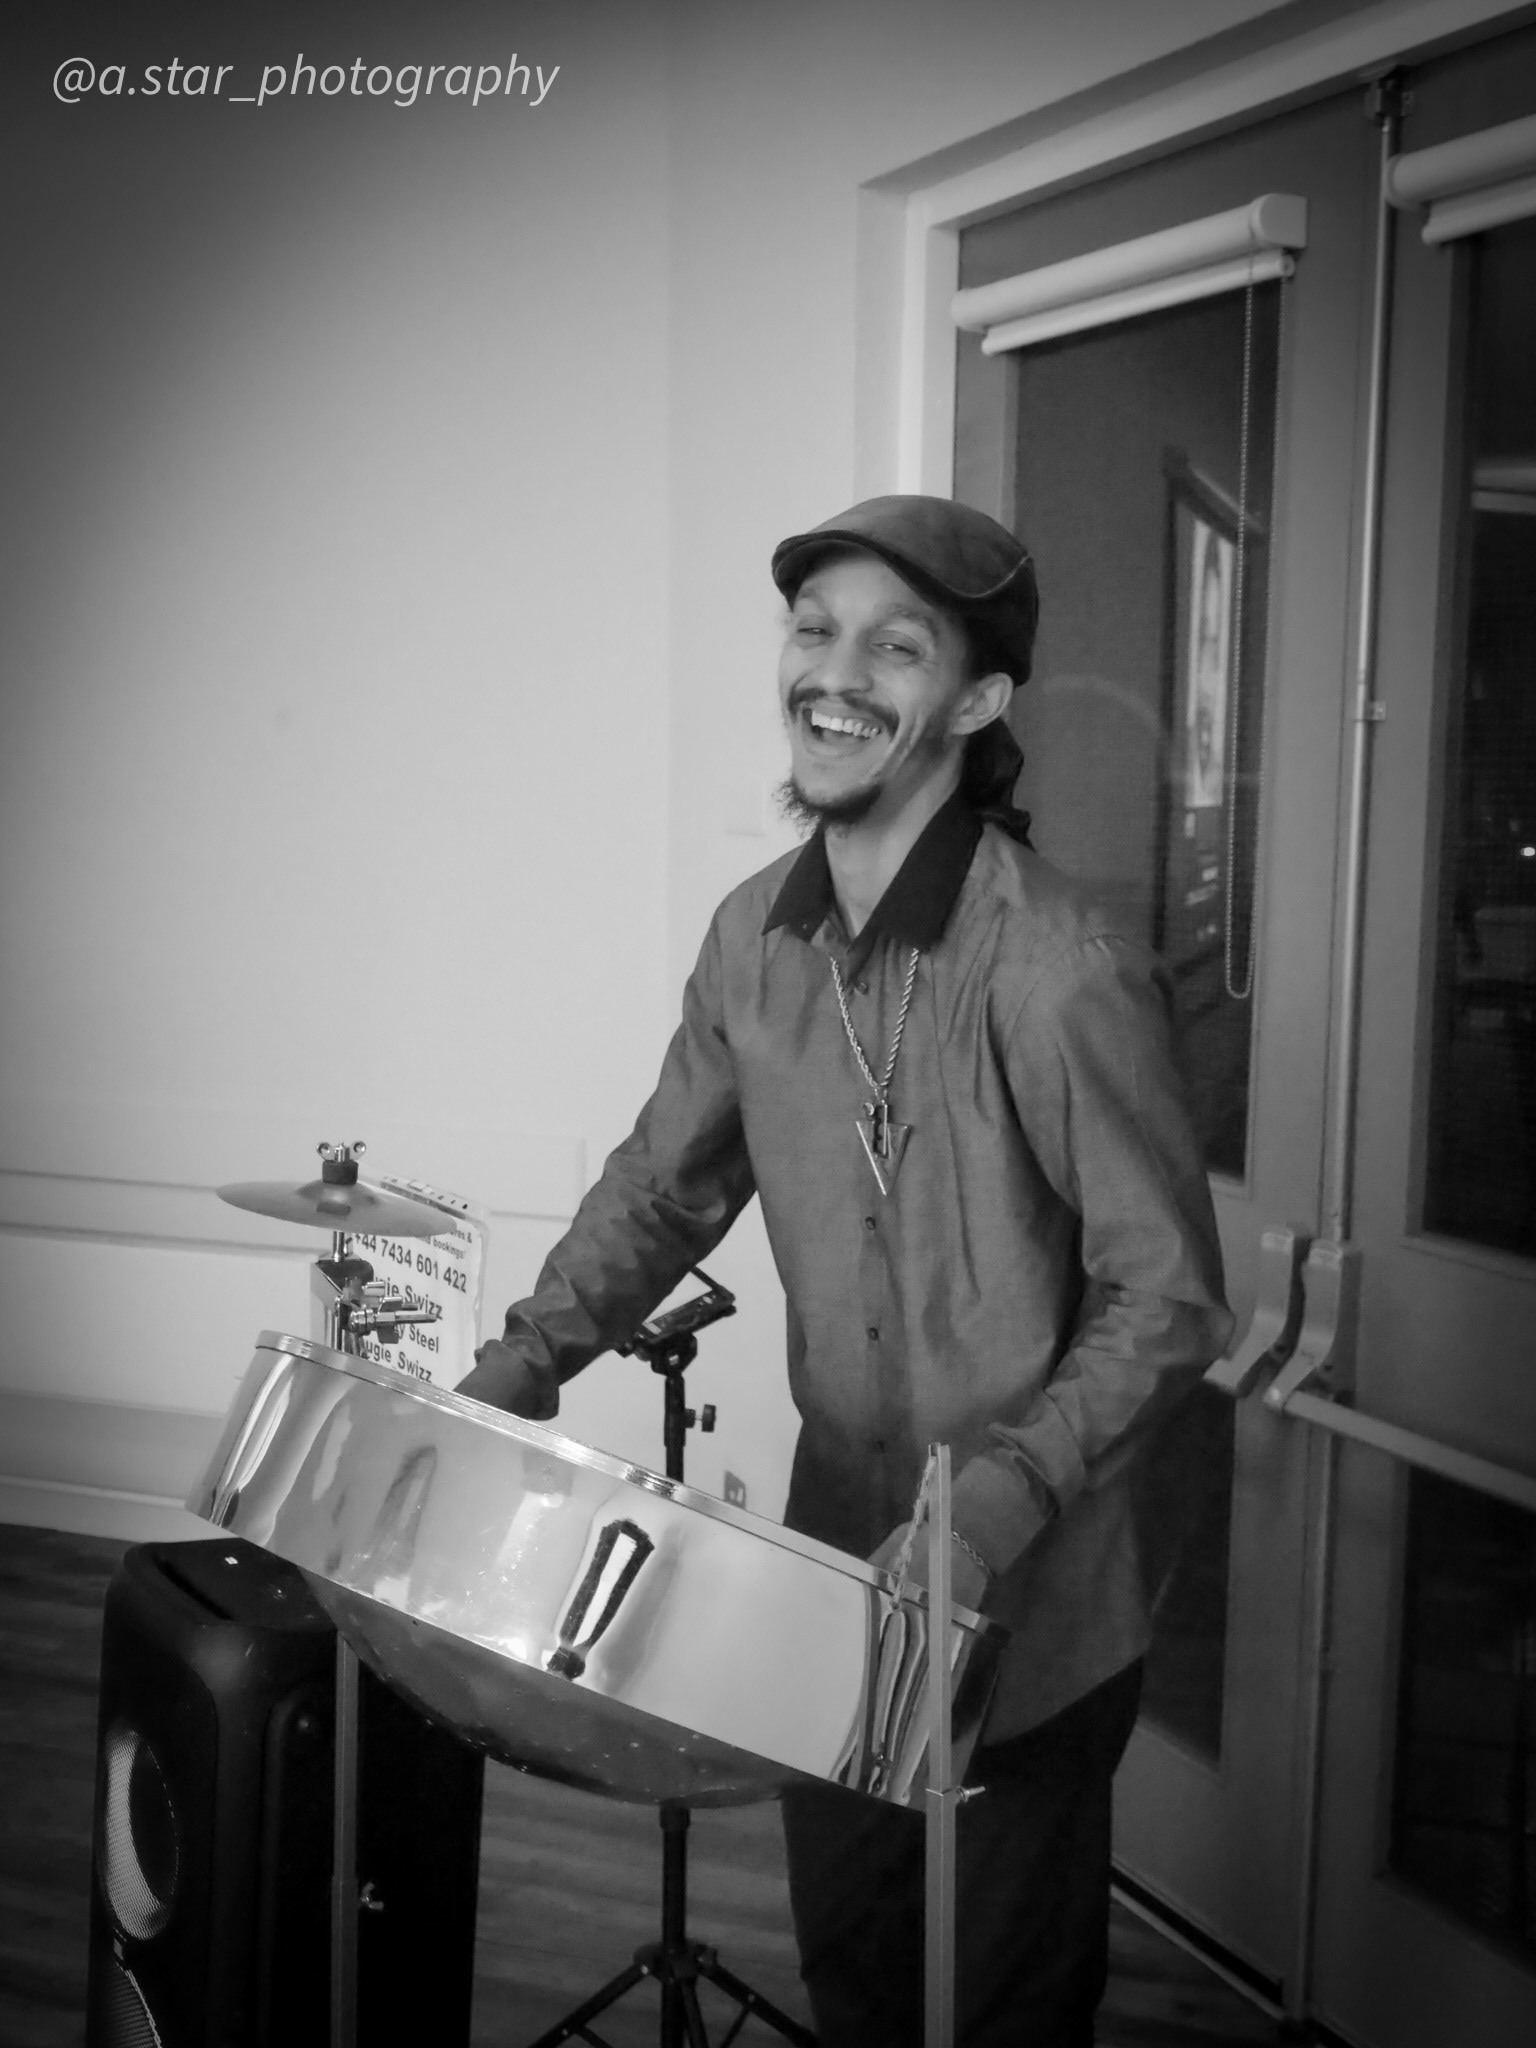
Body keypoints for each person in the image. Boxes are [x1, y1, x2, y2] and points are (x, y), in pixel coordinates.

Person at [458, 494, 1232, 2045]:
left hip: (1034, 1600)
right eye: (816, 631)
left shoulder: (1058, 969)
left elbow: (1169, 1297)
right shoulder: (753, 939)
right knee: (862, 1981)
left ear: (979, 700)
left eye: (896, 646)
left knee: (1001, 2014)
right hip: (839, 1579)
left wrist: (998, 1507)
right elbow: (661, 1190)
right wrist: (516, 1368)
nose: (834, 673)